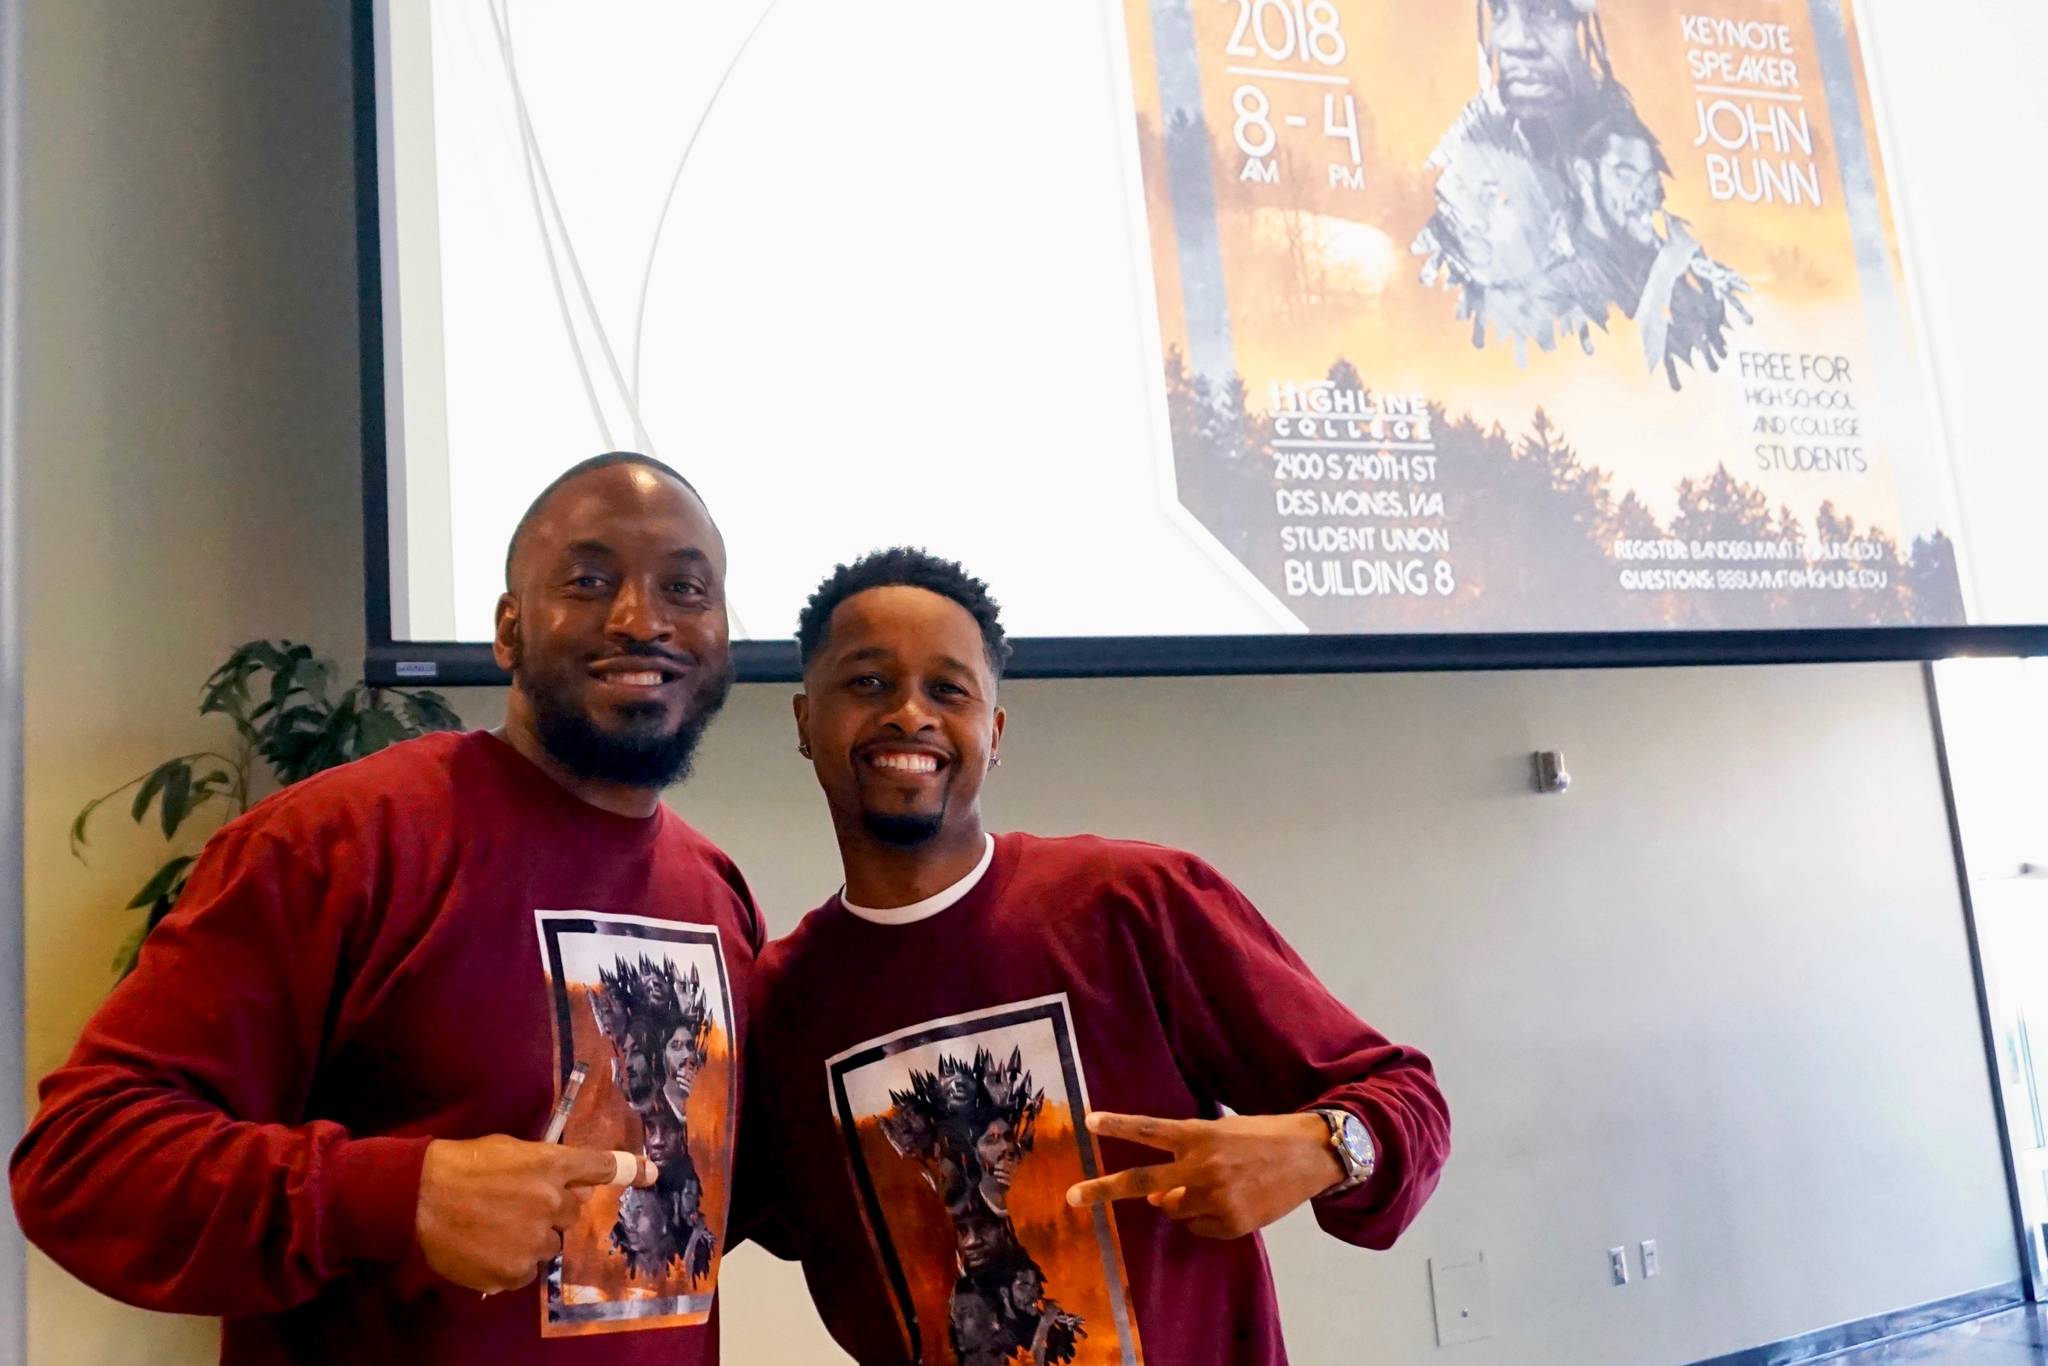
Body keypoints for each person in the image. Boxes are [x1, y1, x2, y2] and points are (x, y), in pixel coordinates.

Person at [11, 452, 760, 1364]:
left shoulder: (714, 893)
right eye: (590, 581)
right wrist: (398, 1196)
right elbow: (81, 1162)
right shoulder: (341, 843)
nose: (642, 620)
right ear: (509, 630)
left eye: (686, 588)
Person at [737, 547, 1450, 1363]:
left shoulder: (1131, 903)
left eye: (948, 689)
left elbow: (1408, 1097)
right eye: (867, 682)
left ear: (993, 732)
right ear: (802, 722)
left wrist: (1325, 1146)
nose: (909, 714)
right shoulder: (781, 1002)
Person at [1415, 0, 1747, 381]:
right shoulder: (1470, 177)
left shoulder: (1625, 159)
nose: (1513, 40)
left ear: (1583, 26)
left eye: (1545, 12)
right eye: (1501, 13)